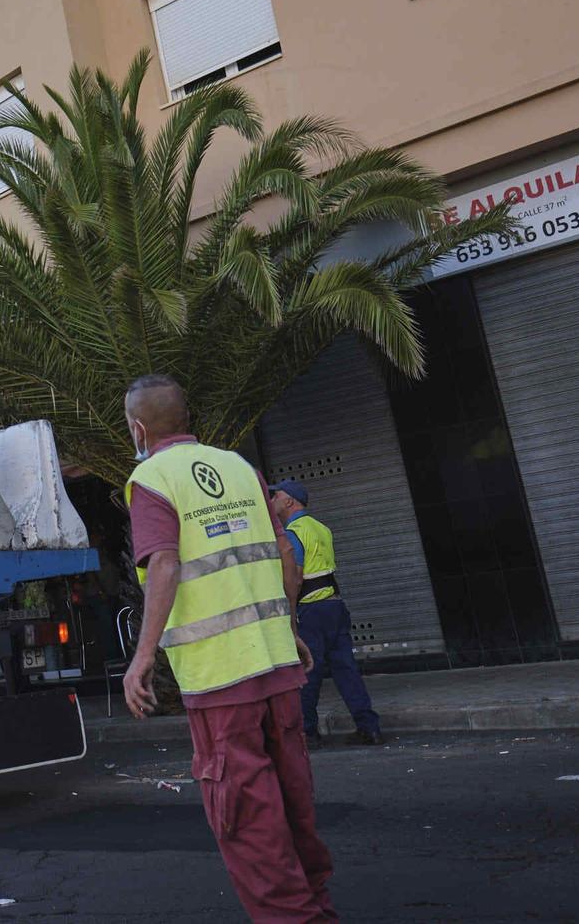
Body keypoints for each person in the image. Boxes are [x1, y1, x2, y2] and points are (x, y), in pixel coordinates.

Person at [120, 374, 337, 923]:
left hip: (221, 684)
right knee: (294, 810)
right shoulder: (242, 468)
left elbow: (164, 563)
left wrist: (142, 657)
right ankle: (319, 910)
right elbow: (286, 558)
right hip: (277, 669)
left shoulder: (151, 479)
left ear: (139, 427)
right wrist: (288, 629)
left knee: (249, 824)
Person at [268, 481, 382, 748]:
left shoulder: (293, 532)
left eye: (276, 496)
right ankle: (369, 728)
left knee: (308, 671)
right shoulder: (321, 528)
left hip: (311, 610)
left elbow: (295, 579)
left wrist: (291, 617)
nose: (272, 500)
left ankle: (307, 733)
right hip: (335, 606)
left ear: (289, 502)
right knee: (347, 671)